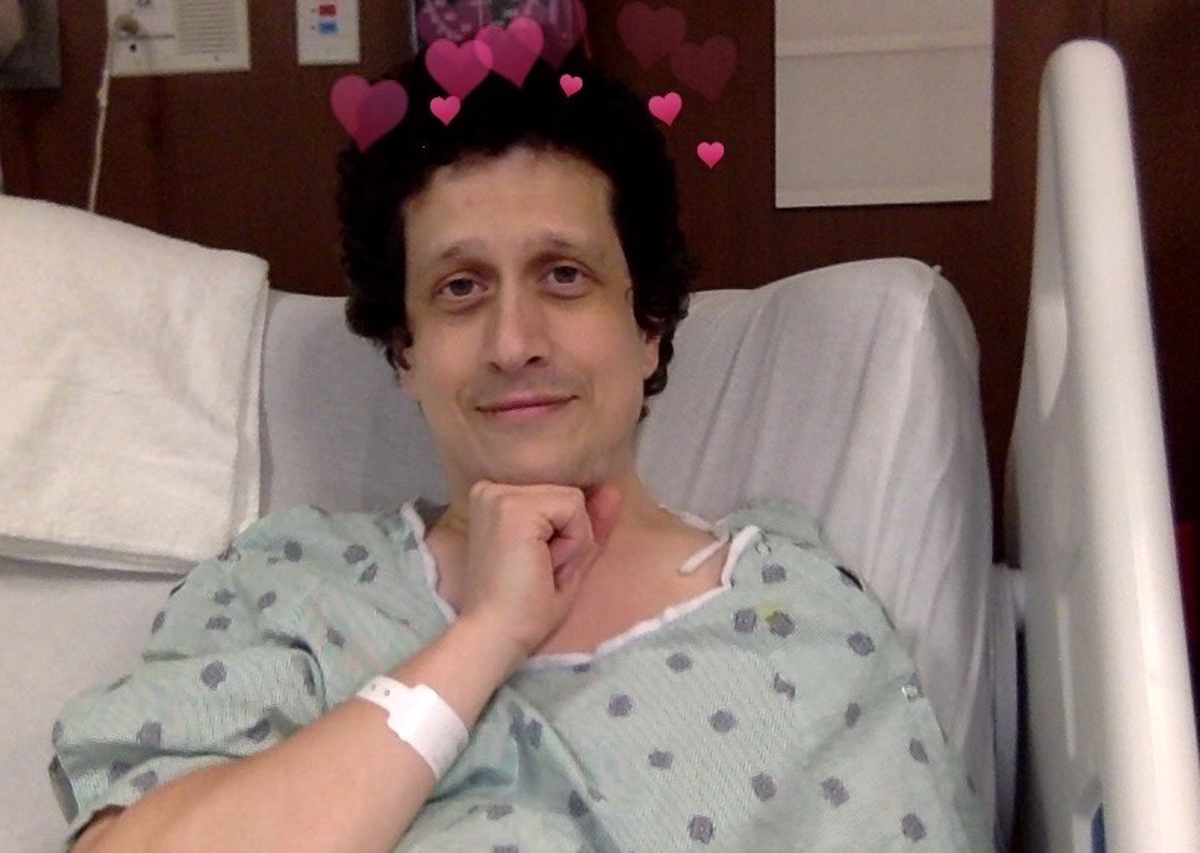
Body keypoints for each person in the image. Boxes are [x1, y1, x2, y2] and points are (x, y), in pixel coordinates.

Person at [52, 51, 993, 851]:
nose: (514, 342)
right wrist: (483, 639)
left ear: (649, 325)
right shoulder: (298, 591)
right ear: (406, 352)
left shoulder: (795, 620)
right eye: (461, 288)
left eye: (564, 275)